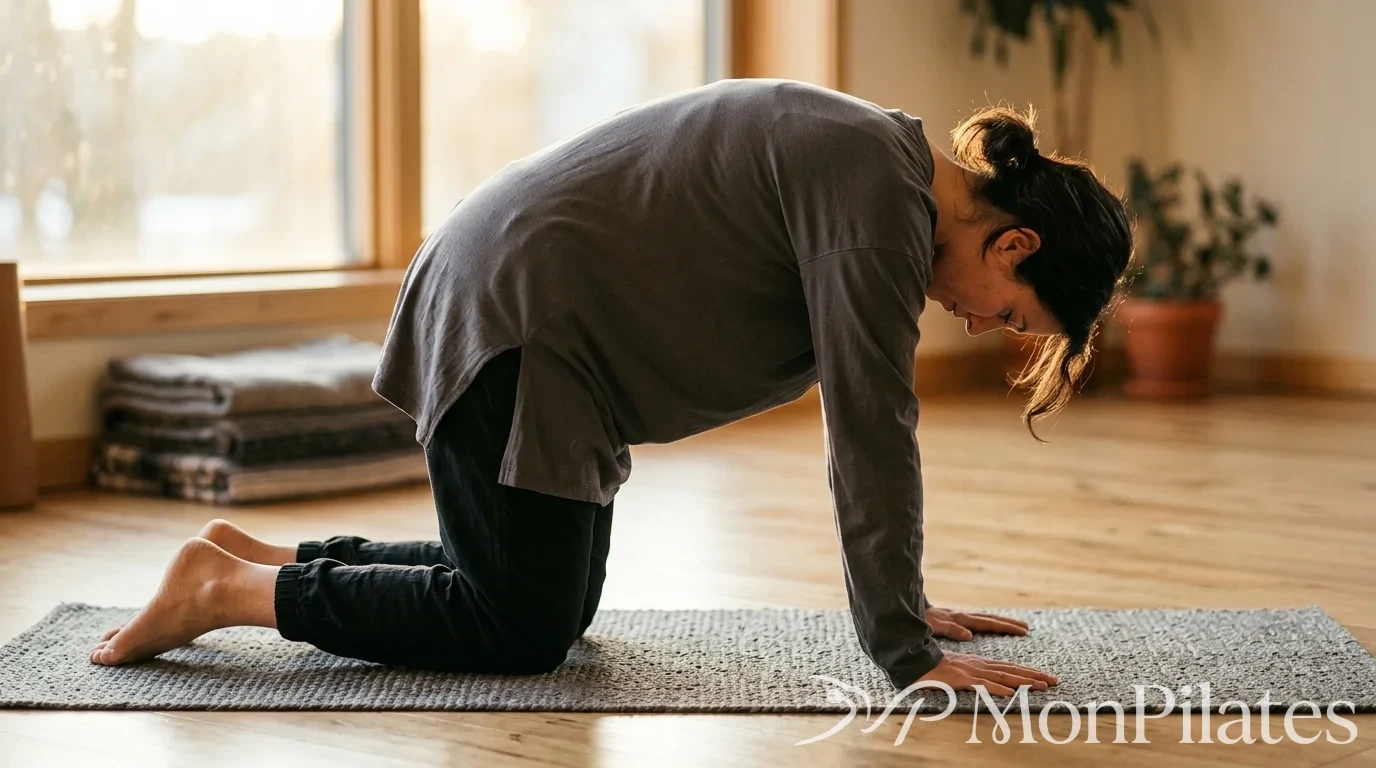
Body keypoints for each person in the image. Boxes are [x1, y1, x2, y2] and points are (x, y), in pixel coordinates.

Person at [90, 78, 1132, 697]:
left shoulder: (879, 170)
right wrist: (901, 644)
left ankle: (260, 558)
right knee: (517, 628)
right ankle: (224, 594)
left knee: (549, 602)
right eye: (1009, 313)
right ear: (1015, 243)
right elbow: (871, 430)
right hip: (516, 321)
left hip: (547, 337)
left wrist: (902, 600)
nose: (977, 325)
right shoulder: (878, 204)